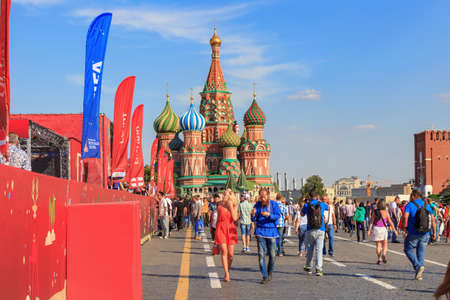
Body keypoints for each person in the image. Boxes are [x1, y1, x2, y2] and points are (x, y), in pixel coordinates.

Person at [402, 190, 436, 280]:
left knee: (407, 249)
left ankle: (417, 266)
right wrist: (435, 232)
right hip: (426, 233)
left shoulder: (410, 204)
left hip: (413, 232)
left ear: (413, 196)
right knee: (421, 252)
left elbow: (405, 216)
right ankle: (419, 272)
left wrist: (404, 228)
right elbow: (432, 220)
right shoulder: (427, 205)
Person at [251, 188, 281, 284]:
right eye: (261, 196)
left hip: (271, 231)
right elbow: (254, 218)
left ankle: (269, 272)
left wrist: (269, 215)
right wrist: (253, 214)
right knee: (261, 255)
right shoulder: (257, 205)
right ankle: (264, 276)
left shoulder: (274, 204)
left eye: (264, 196)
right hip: (260, 231)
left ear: (268, 195)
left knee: (272, 255)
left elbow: (278, 215)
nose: (262, 198)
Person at [301, 191, 329, 276]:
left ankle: (309, 267)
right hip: (321, 229)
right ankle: (318, 269)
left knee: (310, 249)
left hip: (310, 229)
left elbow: (301, 214)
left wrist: (306, 203)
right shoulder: (322, 204)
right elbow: (328, 207)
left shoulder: (307, 205)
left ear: (309, 196)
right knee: (319, 250)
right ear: (317, 196)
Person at [214, 189, 238, 282]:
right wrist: (215, 235)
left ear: (230, 197)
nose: (223, 196)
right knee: (224, 251)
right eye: (223, 194)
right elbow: (217, 220)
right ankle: (227, 273)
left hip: (230, 229)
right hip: (221, 229)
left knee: (231, 255)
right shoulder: (219, 206)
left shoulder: (234, 206)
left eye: (225, 195)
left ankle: (227, 269)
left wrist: (230, 207)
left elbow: (235, 218)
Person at [368, 199, 397, 264]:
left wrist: (369, 230)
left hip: (376, 229)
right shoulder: (386, 212)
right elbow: (390, 222)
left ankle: (379, 259)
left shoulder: (375, 212)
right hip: (383, 229)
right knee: (385, 244)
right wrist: (394, 230)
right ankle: (384, 254)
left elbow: (371, 222)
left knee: (378, 245)